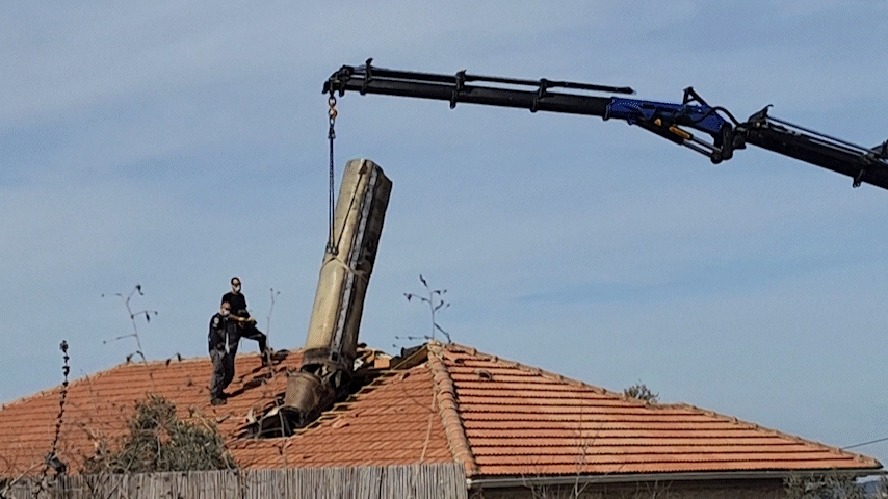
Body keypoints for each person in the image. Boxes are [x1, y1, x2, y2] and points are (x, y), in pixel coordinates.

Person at [221, 276, 271, 364]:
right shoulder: (227, 297)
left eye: (239, 284)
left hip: (244, 326)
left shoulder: (241, 297)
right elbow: (225, 313)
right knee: (232, 350)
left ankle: (265, 360)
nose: (237, 286)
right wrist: (238, 319)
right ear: (232, 285)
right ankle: (228, 368)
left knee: (261, 337)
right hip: (233, 327)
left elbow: (244, 311)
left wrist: (250, 319)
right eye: (235, 284)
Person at [208, 301, 240, 405]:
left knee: (229, 370)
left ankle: (220, 390)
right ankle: (214, 395)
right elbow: (214, 335)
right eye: (225, 308)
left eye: (228, 309)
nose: (227, 311)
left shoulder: (225, 320)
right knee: (218, 371)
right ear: (221, 308)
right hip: (216, 349)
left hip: (222, 349)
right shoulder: (216, 319)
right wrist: (218, 347)